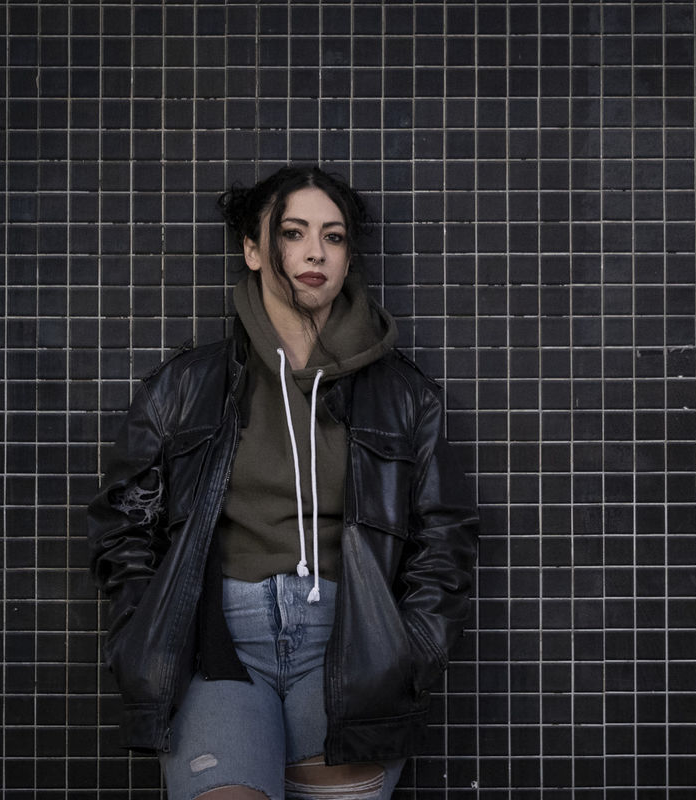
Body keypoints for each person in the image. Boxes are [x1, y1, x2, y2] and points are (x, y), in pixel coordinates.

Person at [87, 165, 479, 800]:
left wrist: (408, 650)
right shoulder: (184, 388)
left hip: (351, 644)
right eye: (293, 233)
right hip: (217, 646)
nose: (315, 252)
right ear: (252, 248)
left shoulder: (404, 395)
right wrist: (147, 633)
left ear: (349, 256)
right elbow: (122, 525)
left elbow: (447, 536)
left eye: (334, 236)